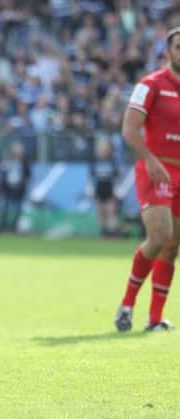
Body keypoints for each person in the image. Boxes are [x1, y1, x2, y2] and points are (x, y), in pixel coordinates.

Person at [114, 27, 180, 332]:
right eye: (178, 47)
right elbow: (129, 128)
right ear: (168, 51)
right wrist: (150, 158)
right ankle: (127, 304)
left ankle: (155, 318)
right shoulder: (151, 84)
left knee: (172, 245)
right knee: (159, 237)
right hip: (157, 169)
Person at [89, 138, 120, 238]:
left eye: (105, 148)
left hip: (109, 189)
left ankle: (112, 232)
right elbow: (91, 177)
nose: (103, 150)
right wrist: (91, 190)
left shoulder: (112, 162)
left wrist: (116, 190)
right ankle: (102, 232)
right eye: (102, 148)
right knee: (100, 211)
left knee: (110, 211)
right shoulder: (94, 162)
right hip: (99, 189)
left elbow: (116, 177)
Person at [0, 141, 31, 233]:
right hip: (8, 187)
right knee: (6, 208)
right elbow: (3, 172)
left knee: (17, 209)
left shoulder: (25, 161)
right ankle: (3, 227)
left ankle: (13, 227)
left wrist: (22, 183)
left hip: (19, 188)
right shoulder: (7, 159)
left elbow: (28, 174)